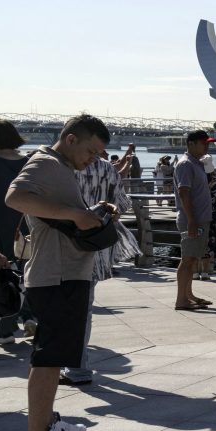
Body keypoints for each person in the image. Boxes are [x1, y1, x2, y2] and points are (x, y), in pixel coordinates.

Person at [5, 114, 114, 431]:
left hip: (62, 273)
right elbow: (15, 197)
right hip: (57, 275)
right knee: (49, 359)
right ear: (70, 139)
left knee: (51, 356)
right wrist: (77, 215)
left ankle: (47, 424)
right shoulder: (45, 163)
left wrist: (86, 212)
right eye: (91, 150)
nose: (93, 159)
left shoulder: (58, 167)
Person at [64, 150, 138, 384]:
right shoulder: (106, 168)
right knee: (84, 308)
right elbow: (123, 204)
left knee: (64, 308)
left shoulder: (61, 166)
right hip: (94, 244)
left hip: (63, 246)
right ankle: (77, 366)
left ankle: (75, 368)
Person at [0, 120, 32, 343]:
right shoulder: (31, 163)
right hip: (29, 227)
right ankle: (31, 316)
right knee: (29, 274)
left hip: (0, 227)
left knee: (3, 277)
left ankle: (5, 327)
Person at [173, 131, 216, 310]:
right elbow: (184, 193)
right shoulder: (185, 165)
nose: (207, 146)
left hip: (199, 220)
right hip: (193, 220)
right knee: (188, 259)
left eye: (208, 143)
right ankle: (181, 300)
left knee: (192, 259)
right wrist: (191, 220)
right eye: (203, 143)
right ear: (190, 144)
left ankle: (188, 295)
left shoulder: (196, 164)